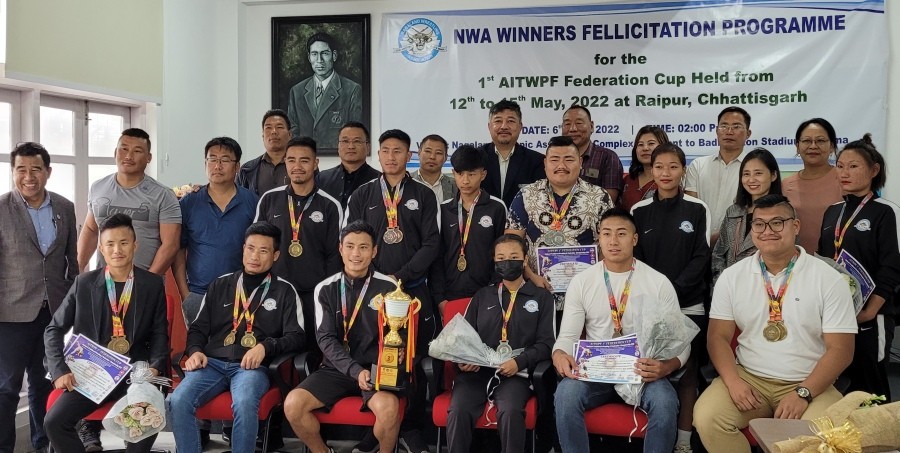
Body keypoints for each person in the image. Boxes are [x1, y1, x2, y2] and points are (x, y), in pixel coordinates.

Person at [695, 194, 857, 453]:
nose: (767, 231)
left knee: (825, 436)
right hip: (750, 377)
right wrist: (734, 381)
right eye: (759, 224)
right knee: (707, 417)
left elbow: (841, 350)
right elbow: (718, 338)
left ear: (796, 226)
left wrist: (804, 393)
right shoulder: (732, 277)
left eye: (777, 222)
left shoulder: (828, 279)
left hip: (809, 380)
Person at [553, 208, 687, 453]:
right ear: (599, 239)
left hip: (641, 371)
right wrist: (560, 354)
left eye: (621, 234)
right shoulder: (582, 281)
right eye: (606, 234)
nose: (613, 241)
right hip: (596, 372)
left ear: (634, 239)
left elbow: (681, 344)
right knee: (566, 395)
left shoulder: (658, 282)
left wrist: (666, 367)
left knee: (665, 402)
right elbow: (567, 337)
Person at [168, 221, 305, 453]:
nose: (255, 256)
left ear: (276, 255)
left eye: (263, 250)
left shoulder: (284, 291)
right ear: (243, 249)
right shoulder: (220, 284)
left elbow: (297, 336)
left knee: (243, 403)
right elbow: (198, 329)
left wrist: (265, 347)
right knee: (177, 400)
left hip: (250, 368)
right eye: (250, 248)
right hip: (211, 364)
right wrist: (195, 351)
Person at [344, 129, 439, 453]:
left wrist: (398, 276)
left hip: (411, 293)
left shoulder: (424, 195)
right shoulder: (363, 195)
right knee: (376, 354)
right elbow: (351, 242)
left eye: (397, 151)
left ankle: (410, 427)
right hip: (371, 295)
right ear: (378, 154)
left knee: (414, 359)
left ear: (408, 155)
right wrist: (378, 280)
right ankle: (379, 428)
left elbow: (431, 244)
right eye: (385, 151)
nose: (391, 157)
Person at [44, 214, 169, 453]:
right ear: (101, 248)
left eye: (123, 243)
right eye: (110, 244)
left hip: (136, 375)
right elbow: (54, 329)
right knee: (54, 423)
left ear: (135, 245)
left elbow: (160, 333)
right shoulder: (84, 283)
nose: (117, 250)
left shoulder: (152, 285)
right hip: (93, 376)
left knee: (142, 428)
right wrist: (60, 369)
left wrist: (155, 366)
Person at [283, 220, 403, 453]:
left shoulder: (389, 288)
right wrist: (354, 371)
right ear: (340, 249)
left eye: (363, 247)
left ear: (374, 251)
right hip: (335, 370)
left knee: (389, 410)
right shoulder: (326, 288)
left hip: (375, 370)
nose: (355, 254)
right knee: (293, 405)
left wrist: (397, 353)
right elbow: (325, 339)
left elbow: (398, 334)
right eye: (349, 246)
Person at [631, 143, 711, 453]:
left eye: (673, 167)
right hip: (646, 308)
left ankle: (683, 441)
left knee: (687, 371)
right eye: (659, 167)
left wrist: (671, 294)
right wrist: (656, 299)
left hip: (688, 304)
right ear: (651, 171)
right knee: (650, 368)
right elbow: (635, 260)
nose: (666, 173)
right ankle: (647, 433)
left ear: (682, 170)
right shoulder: (639, 211)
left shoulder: (697, 208)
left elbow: (702, 257)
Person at [0, 143, 77, 453]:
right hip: (10, 312)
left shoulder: (64, 206)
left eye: (35, 169)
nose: (28, 176)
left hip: (54, 312)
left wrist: (74, 305)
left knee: (44, 382)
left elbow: (72, 260)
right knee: (6, 387)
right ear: (13, 172)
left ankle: (42, 445)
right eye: (21, 170)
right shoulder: (2, 208)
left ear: (48, 172)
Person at [446, 234, 555, 453]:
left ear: (525, 260)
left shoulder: (542, 298)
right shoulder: (483, 296)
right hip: (477, 374)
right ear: (495, 262)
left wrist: (519, 362)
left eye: (513, 257)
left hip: (516, 374)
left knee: (511, 411)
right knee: (458, 409)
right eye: (501, 258)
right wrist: (463, 361)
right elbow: (462, 338)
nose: (507, 262)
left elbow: (546, 343)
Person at [817, 135, 900, 400]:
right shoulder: (833, 211)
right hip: (836, 316)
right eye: (840, 166)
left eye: (853, 166)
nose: (844, 173)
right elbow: (824, 261)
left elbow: (892, 267)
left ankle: (880, 441)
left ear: (874, 170)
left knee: (870, 387)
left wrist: (869, 311)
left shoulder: (886, 211)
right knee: (838, 386)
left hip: (871, 317)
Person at [255, 136, 342, 353]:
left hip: (313, 294)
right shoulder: (269, 199)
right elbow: (257, 245)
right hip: (274, 291)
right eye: (291, 160)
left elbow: (335, 256)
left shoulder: (330, 205)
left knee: (311, 352)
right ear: (285, 162)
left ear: (315, 163)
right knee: (270, 350)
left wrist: (324, 295)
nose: (297, 166)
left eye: (304, 160)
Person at [506, 135, 614, 303]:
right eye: (555, 159)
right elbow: (511, 244)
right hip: (536, 292)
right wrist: (531, 276)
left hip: (587, 294)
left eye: (569, 159)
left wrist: (598, 279)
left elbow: (609, 243)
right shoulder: (526, 195)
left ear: (580, 162)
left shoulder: (600, 197)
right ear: (545, 163)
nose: (561, 166)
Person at [173, 136, 259, 326]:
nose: (217, 166)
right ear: (205, 163)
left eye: (225, 160)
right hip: (198, 294)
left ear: (237, 167)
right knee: (198, 351)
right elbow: (179, 249)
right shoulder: (189, 202)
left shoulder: (252, 202)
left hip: (241, 293)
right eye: (212, 159)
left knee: (237, 350)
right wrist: (185, 293)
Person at [78, 128, 182, 274]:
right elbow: (90, 229)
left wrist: (148, 281)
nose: (128, 156)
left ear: (149, 157)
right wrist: (78, 269)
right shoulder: (98, 187)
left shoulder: (163, 195)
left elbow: (171, 245)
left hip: (144, 285)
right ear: (115, 153)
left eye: (137, 151)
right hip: (105, 282)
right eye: (124, 149)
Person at [430, 145, 507, 319]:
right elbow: (437, 256)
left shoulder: (496, 208)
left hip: (487, 295)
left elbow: (502, 254)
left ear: (483, 175)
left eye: (471, 174)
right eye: (460, 173)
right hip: (449, 296)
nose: (465, 180)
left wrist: (494, 292)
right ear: (453, 174)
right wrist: (439, 298)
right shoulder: (443, 210)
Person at [711, 148, 782, 287]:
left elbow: (783, 257)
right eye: (746, 174)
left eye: (758, 173)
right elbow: (718, 254)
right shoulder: (733, 212)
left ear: (773, 175)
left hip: (765, 290)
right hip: (728, 289)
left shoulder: (783, 213)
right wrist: (721, 284)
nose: (751, 179)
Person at [685, 106, 752, 243]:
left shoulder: (754, 169)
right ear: (716, 131)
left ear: (748, 133)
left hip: (738, 244)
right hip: (698, 243)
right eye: (724, 126)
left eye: (736, 126)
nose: (729, 131)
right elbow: (690, 210)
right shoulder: (698, 165)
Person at [286, 32, 363, 150]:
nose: (319, 60)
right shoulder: (297, 91)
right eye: (314, 54)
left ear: (334, 55)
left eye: (325, 54)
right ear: (309, 57)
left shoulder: (352, 90)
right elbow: (293, 134)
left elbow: (355, 134)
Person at [782, 118, 843, 252]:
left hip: (837, 262)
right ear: (797, 146)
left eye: (820, 141)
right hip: (796, 262)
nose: (813, 146)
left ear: (832, 146)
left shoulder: (843, 179)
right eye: (806, 141)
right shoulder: (785, 185)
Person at [479, 100, 546, 207]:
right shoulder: (475, 157)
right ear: (489, 126)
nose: (504, 126)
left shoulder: (536, 161)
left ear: (520, 127)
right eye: (498, 121)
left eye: (510, 121)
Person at [562, 106, 623, 201]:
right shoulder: (556, 159)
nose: (572, 129)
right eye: (567, 124)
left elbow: (608, 200)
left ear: (591, 126)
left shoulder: (608, 157)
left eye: (579, 123)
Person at [316, 121, 381, 208]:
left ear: (368, 147)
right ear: (338, 147)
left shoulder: (379, 180)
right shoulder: (322, 179)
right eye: (345, 141)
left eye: (357, 141)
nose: (351, 146)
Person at [237, 110, 292, 196]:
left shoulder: (300, 167)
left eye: (279, 127)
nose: (274, 131)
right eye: (268, 127)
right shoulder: (247, 170)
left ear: (289, 134)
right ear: (263, 135)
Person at [621, 126, 670, 211]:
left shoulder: (670, 178)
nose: (645, 148)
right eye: (640, 145)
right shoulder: (628, 180)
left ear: (663, 147)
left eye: (651, 143)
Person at [411, 134, 456, 204]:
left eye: (438, 153)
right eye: (428, 151)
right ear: (419, 153)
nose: (432, 157)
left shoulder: (455, 185)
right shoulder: (405, 182)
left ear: (446, 157)